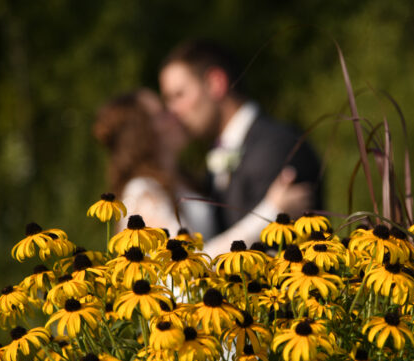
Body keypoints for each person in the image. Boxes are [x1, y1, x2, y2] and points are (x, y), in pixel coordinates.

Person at [93, 88, 310, 255]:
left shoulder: (181, 179)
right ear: (142, 134)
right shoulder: (142, 192)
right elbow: (187, 262)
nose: (173, 114)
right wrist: (271, 211)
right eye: (161, 113)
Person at [159, 39, 323, 234]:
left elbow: (271, 244)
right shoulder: (218, 152)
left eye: (179, 95)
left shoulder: (277, 146)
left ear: (215, 83)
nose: (173, 111)